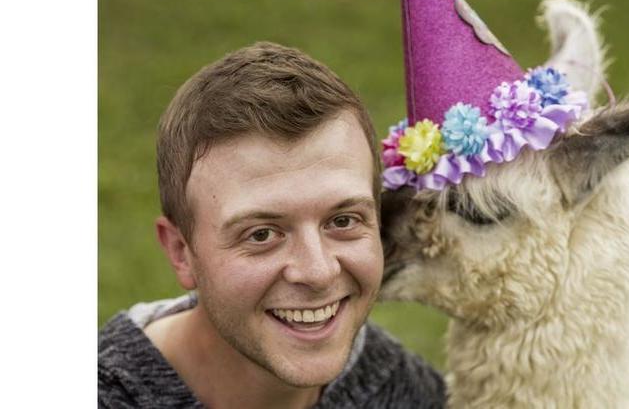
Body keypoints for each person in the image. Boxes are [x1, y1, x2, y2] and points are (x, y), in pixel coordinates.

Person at [98, 41, 446, 408]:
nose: (318, 273)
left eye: (342, 220)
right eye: (262, 234)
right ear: (181, 252)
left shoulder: (406, 393)